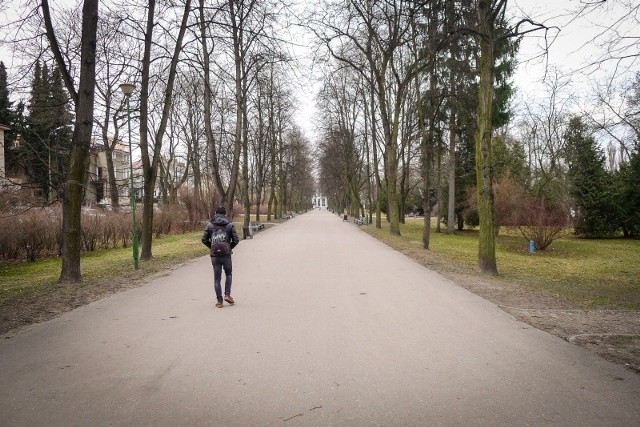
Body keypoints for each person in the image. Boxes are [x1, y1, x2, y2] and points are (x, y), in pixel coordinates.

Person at [202, 206, 240, 308]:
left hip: (215, 255)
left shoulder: (210, 225)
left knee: (217, 278)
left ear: (215, 213)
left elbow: (204, 239)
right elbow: (236, 240)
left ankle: (219, 301)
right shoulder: (230, 225)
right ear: (225, 214)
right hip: (226, 254)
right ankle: (227, 294)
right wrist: (229, 247)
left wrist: (212, 247)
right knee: (228, 274)